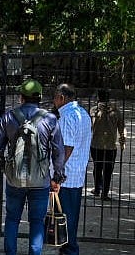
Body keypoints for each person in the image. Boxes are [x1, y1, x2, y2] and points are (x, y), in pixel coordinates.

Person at [0, 79, 66, 255]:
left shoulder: (9, 117)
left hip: (15, 179)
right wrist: (57, 176)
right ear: (40, 97)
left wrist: (4, 167)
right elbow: (58, 151)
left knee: (11, 220)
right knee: (37, 222)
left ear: (21, 97)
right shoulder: (50, 119)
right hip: (40, 180)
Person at [53, 83, 92, 255]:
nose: (54, 101)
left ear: (61, 98)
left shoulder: (68, 116)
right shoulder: (82, 113)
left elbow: (66, 148)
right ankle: (68, 247)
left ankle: (69, 250)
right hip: (76, 173)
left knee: (64, 217)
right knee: (71, 216)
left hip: (67, 175)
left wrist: (57, 174)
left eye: (55, 97)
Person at [90, 89, 125, 201]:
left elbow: (88, 127)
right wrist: (122, 141)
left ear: (98, 98)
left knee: (97, 167)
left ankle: (97, 189)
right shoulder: (116, 112)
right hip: (110, 146)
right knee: (108, 170)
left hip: (96, 145)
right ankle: (104, 193)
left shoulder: (93, 111)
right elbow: (122, 128)